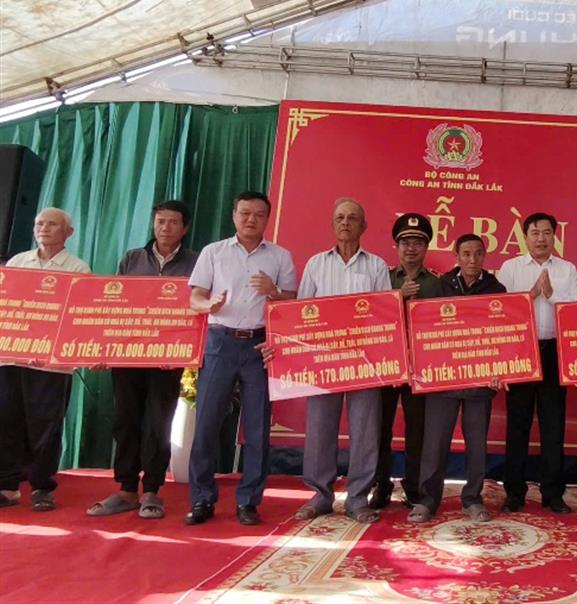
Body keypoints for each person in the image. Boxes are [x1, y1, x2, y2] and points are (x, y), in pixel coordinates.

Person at [185, 191, 296, 526]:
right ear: (234, 215)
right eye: (245, 213)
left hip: (259, 345)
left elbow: (292, 302)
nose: (251, 219)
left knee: (258, 427)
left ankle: (249, 501)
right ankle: (202, 499)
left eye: (259, 214)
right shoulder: (214, 252)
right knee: (206, 423)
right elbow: (195, 298)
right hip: (220, 341)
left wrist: (273, 291)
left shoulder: (280, 256)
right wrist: (209, 305)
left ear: (267, 219)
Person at [86, 200, 199, 519]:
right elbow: (115, 306)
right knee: (125, 420)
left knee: (158, 423)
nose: (165, 228)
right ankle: (125, 489)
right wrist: (105, 348)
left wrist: (186, 351)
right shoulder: (132, 258)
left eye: (173, 222)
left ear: (185, 228)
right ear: (153, 224)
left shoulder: (196, 262)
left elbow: (199, 310)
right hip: (128, 355)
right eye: (160, 221)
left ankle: (152, 490)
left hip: (168, 359)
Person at [289, 198, 391, 524]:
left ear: (364, 226)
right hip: (323, 360)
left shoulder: (376, 266)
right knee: (320, 428)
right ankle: (320, 496)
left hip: (364, 360)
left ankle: (358, 499)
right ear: (333, 225)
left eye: (352, 218)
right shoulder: (316, 264)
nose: (345, 223)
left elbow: (384, 314)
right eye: (340, 218)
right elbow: (301, 312)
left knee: (365, 431)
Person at [409, 234, 506, 524]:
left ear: (484, 256)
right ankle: (427, 500)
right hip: (444, 379)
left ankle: (473, 499)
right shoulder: (441, 286)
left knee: (477, 444)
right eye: (466, 254)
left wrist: (500, 369)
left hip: (480, 381)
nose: (472, 259)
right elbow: (426, 330)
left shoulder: (496, 289)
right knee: (435, 443)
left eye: (477, 253)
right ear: (457, 256)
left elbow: (503, 333)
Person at [0, 208, 91, 512]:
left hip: (52, 364)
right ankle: (8, 487)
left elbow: (80, 316)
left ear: (69, 232)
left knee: (45, 426)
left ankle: (42, 488)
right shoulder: (17, 262)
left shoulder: (78, 268)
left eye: (52, 224)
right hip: (11, 357)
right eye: (39, 223)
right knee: (6, 421)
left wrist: (50, 346)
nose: (44, 228)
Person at [497, 212, 577, 514]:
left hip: (554, 351)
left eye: (547, 233)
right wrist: (531, 295)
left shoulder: (567, 269)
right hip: (521, 351)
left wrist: (551, 295)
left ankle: (552, 493)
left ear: (554, 236)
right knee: (517, 425)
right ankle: (514, 493)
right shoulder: (510, 268)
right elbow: (501, 310)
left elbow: (576, 311)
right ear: (525, 237)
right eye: (535, 233)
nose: (541, 239)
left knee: (553, 426)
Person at [371, 213, 441, 509]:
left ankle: (414, 488)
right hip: (385, 365)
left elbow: (442, 327)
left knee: (417, 431)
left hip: (419, 368)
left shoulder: (436, 283)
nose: (411, 248)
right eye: (405, 243)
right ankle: (381, 485)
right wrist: (397, 297)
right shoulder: (383, 278)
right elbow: (370, 317)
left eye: (417, 243)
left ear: (426, 248)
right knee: (379, 429)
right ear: (397, 247)